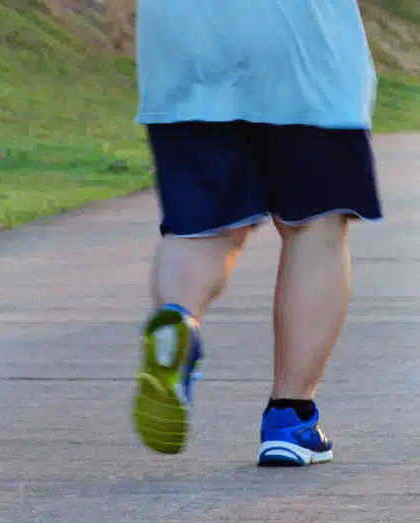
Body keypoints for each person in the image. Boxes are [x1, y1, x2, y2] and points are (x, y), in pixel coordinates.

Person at [130, 0, 383, 467]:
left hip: (181, 36)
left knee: (200, 228)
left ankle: (178, 320)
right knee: (316, 223)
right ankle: (292, 420)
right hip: (301, 38)